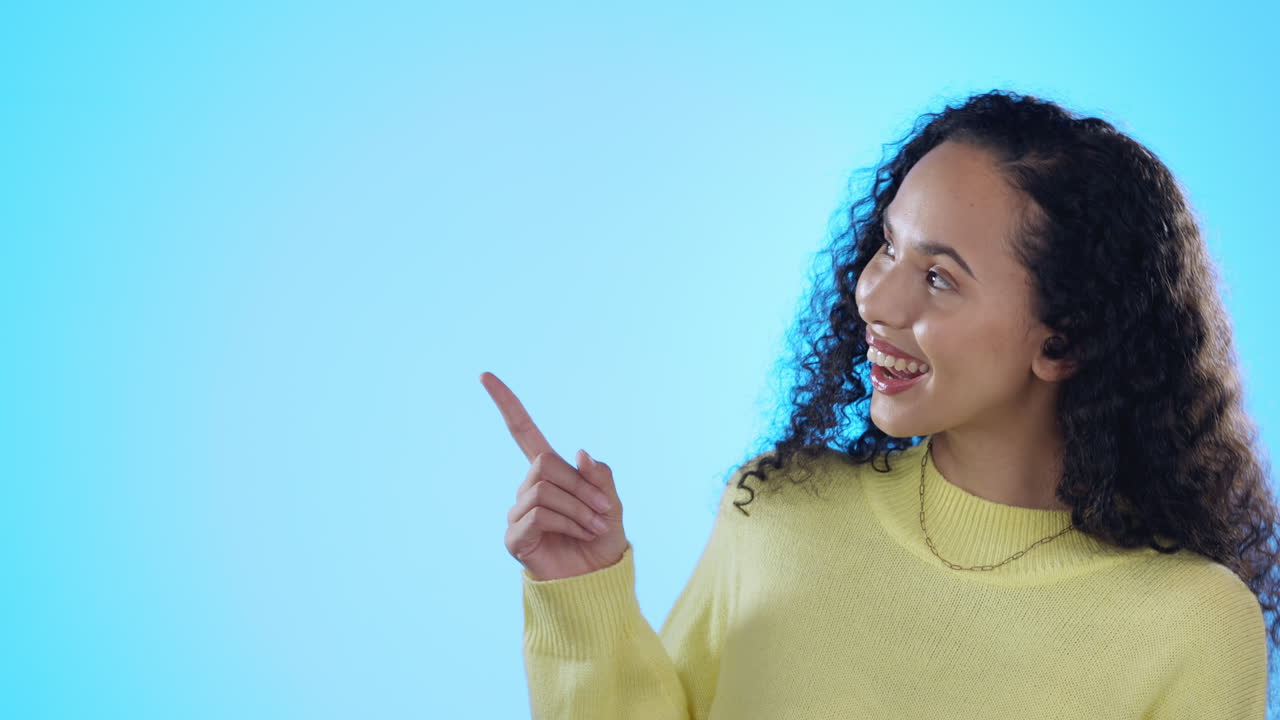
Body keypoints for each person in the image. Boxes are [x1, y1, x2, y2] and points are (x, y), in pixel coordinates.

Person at [482, 89, 1279, 719]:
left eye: (938, 278)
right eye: (888, 247)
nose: (874, 297)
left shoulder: (1191, 627)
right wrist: (584, 598)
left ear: (1062, 343)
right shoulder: (778, 513)